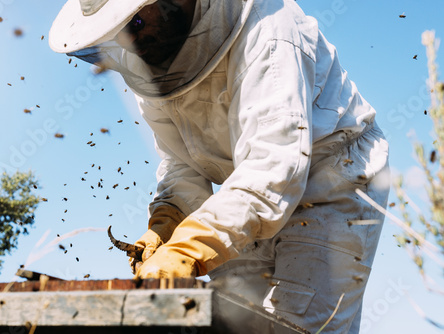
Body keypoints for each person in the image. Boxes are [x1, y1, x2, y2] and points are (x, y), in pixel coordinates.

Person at [49, 0, 390, 332]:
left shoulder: (268, 28)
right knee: (233, 320)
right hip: (243, 190)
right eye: (117, 34)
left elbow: (274, 168)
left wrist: (187, 249)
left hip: (330, 176)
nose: (131, 43)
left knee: (297, 324)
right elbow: (181, 160)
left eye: (134, 24)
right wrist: (166, 220)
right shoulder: (149, 59)